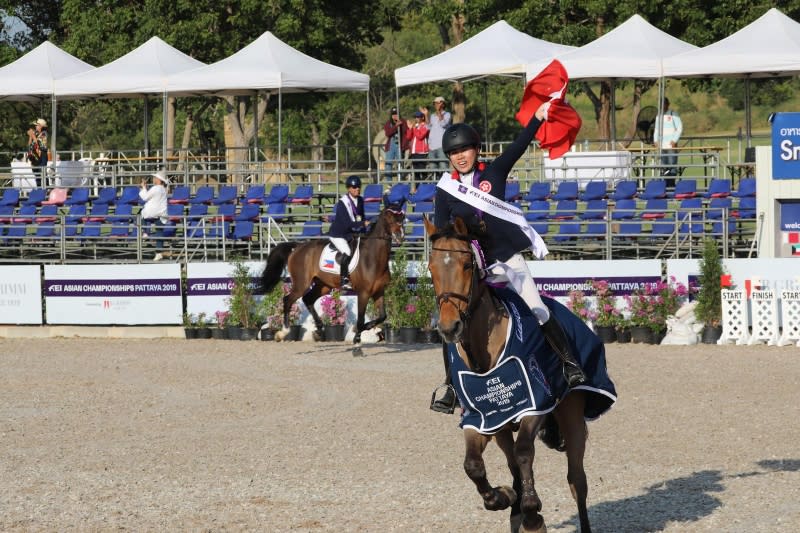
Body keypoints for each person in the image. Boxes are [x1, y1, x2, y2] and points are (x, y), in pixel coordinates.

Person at [430, 112, 587, 414]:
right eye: (453, 153)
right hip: (473, 261)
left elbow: (519, 144)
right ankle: (450, 386)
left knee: (537, 307)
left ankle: (569, 364)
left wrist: (538, 119)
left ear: (476, 150)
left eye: (463, 150)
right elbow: (441, 231)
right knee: (449, 315)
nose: (459, 157)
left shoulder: (494, 172)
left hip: (505, 257)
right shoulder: (444, 189)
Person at [328, 175, 369, 290]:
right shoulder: (342, 203)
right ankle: (344, 279)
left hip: (351, 233)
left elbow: (361, 216)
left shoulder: (360, 200)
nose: (357, 189)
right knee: (347, 251)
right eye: (354, 187)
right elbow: (347, 224)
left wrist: (364, 232)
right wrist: (362, 224)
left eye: (359, 187)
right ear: (349, 189)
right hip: (339, 234)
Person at [139, 170, 170, 261]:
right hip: (161, 214)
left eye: (155, 178)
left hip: (153, 213)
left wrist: (143, 188)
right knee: (159, 232)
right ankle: (158, 253)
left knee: (142, 215)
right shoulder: (163, 189)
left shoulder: (156, 188)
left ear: (159, 180)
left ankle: (145, 232)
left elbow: (145, 197)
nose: (154, 179)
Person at [653, 97, 683, 188]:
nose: (662, 107)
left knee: (672, 165)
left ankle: (671, 184)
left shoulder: (673, 115)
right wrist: (655, 140)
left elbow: (679, 128)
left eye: (664, 104)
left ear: (668, 104)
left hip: (671, 146)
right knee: (664, 166)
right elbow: (656, 130)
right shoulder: (658, 117)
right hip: (662, 146)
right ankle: (665, 184)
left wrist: (674, 140)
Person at [422, 96, 452, 172]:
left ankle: (445, 184)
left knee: (444, 168)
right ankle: (434, 184)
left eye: (437, 103)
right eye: (435, 104)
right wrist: (426, 114)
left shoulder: (447, 114)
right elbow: (428, 127)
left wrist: (439, 111)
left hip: (442, 146)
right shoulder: (432, 115)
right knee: (433, 169)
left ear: (443, 104)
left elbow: (443, 124)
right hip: (432, 146)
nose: (435, 105)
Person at [382, 107, 409, 181]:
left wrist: (400, 124)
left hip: (400, 146)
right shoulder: (388, 123)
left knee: (400, 165)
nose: (395, 116)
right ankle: (389, 185)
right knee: (388, 165)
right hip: (391, 146)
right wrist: (396, 126)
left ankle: (400, 182)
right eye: (393, 114)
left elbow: (405, 132)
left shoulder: (403, 121)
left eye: (396, 114)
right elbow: (388, 133)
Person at [405, 111, 430, 184]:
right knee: (416, 172)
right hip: (414, 152)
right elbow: (408, 137)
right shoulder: (415, 126)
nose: (416, 118)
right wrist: (410, 129)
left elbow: (420, 136)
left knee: (423, 171)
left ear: (422, 117)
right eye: (415, 117)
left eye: (418, 117)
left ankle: (425, 187)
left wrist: (414, 128)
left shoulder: (425, 126)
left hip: (422, 152)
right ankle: (418, 188)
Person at [26, 118, 48, 188]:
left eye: (37, 125)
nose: (36, 126)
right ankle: (39, 188)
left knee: (42, 172)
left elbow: (38, 145)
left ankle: (46, 188)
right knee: (36, 173)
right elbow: (29, 145)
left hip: (42, 155)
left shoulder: (44, 133)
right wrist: (30, 136)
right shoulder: (35, 133)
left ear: (41, 126)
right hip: (35, 155)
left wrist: (32, 135)